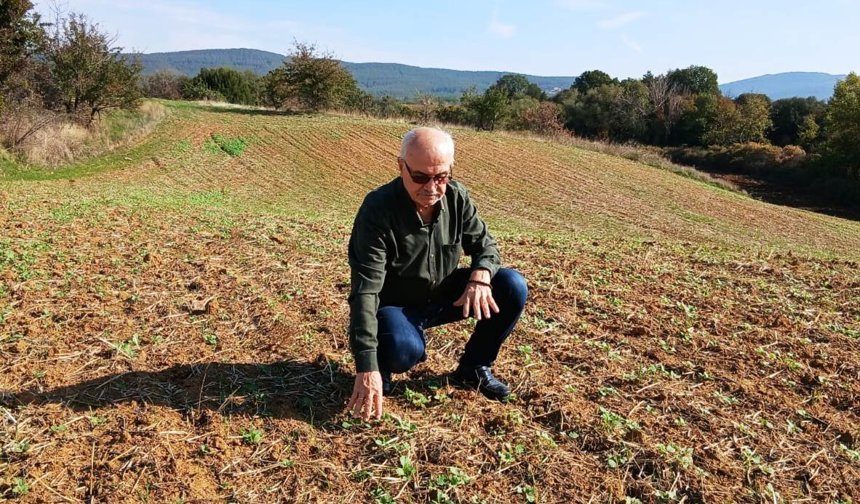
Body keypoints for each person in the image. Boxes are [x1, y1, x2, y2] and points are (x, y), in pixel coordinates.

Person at [345, 126, 528, 421]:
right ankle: (384, 364)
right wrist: (366, 368)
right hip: (396, 306)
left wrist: (480, 274)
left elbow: (486, 246)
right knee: (402, 348)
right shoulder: (377, 210)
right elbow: (365, 292)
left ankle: (473, 367)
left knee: (511, 285)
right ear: (401, 167)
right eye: (420, 177)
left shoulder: (456, 198)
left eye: (441, 177)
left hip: (442, 295)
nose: (431, 187)